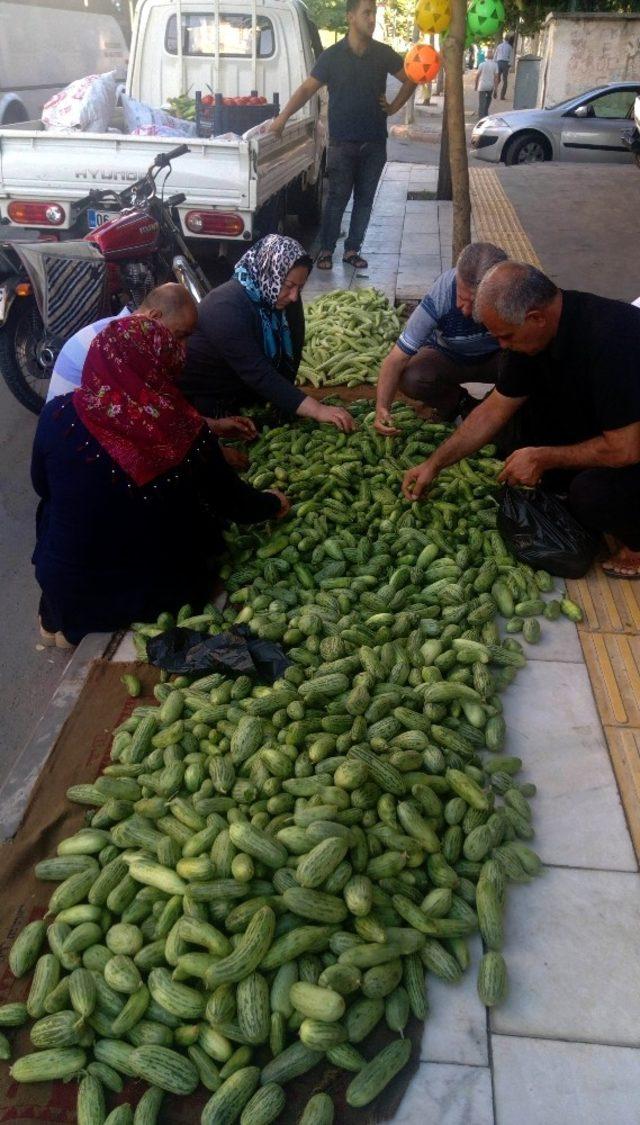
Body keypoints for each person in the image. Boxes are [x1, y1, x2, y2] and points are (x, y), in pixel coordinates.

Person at [32, 286, 288, 648]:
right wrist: (274, 503)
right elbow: (233, 501)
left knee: (57, 507)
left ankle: (56, 621)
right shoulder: (180, 429)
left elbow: (42, 487)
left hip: (64, 584)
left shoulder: (57, 415)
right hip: (145, 592)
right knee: (200, 518)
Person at [402, 261, 640, 579]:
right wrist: (435, 464)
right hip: (604, 422)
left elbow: (625, 450)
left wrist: (545, 456)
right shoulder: (529, 339)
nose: (502, 346)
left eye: (505, 336)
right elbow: (494, 409)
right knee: (513, 437)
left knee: (591, 496)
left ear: (535, 318)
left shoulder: (614, 340)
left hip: (631, 441)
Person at [269, 0, 416, 271]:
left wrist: (394, 107)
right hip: (341, 144)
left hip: (374, 143)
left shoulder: (383, 53)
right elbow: (306, 90)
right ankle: (326, 250)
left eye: (374, 13)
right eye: (366, 13)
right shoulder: (332, 56)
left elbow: (411, 77)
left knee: (365, 200)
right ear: (351, 17)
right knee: (337, 199)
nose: (372, 19)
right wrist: (282, 118)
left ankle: (352, 250)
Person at [46, 289, 257, 461]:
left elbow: (161, 413)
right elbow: (154, 430)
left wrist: (215, 426)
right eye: (180, 336)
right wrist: (215, 456)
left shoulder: (121, 338)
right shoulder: (115, 351)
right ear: (154, 317)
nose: (183, 349)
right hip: (86, 454)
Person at [181, 235, 354, 432]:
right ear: (267, 272)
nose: (294, 296)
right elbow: (257, 373)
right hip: (207, 396)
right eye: (289, 285)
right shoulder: (224, 306)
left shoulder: (283, 300)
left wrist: (287, 402)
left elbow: (293, 352)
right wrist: (316, 409)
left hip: (243, 389)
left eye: (301, 287)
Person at [374, 242, 507, 431]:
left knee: (532, 367)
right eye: (461, 298)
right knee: (412, 376)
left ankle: (495, 408)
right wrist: (382, 408)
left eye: (476, 303)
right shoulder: (442, 293)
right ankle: (459, 403)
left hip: (497, 359)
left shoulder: (511, 292)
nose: (467, 310)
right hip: (450, 357)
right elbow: (396, 359)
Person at [475, 47, 499, 119]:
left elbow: (477, 76)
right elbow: (496, 78)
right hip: (490, 86)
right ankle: (485, 114)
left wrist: (476, 86)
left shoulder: (482, 64)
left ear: (486, 56)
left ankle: (481, 116)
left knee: (481, 102)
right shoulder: (495, 65)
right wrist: (496, 89)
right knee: (488, 100)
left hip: (482, 86)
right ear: (493, 56)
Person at [495, 35, 514, 101]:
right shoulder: (510, 47)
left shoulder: (499, 46)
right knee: (505, 80)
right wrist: (510, 65)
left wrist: (495, 63)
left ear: (503, 39)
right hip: (505, 63)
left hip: (498, 62)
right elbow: (511, 57)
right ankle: (502, 96)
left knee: (497, 78)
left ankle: (495, 90)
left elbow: (495, 55)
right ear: (508, 40)